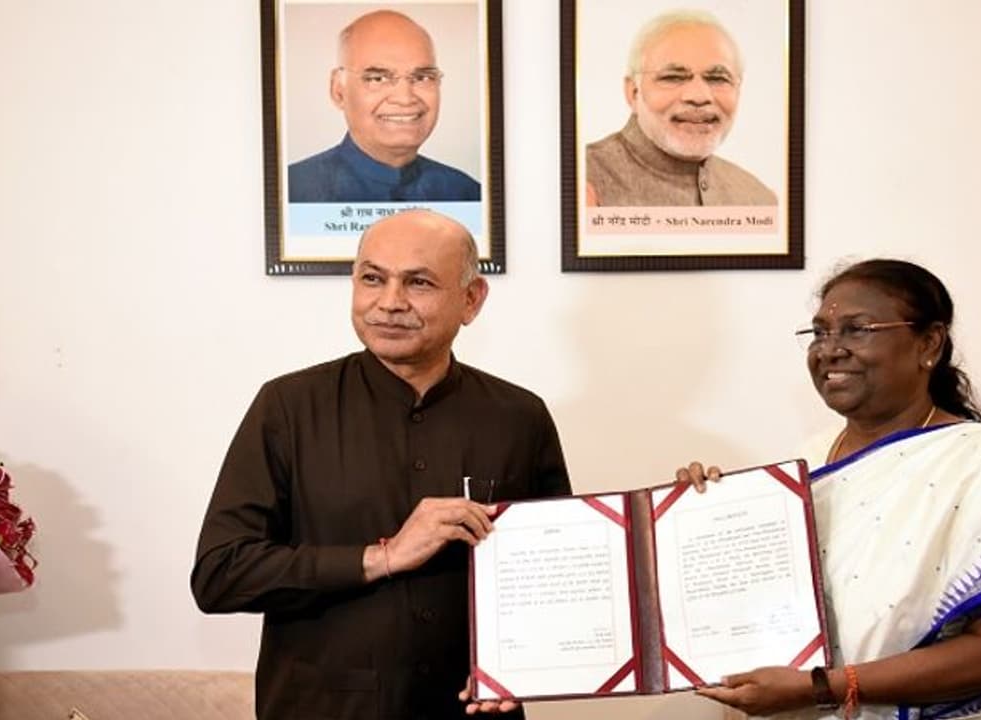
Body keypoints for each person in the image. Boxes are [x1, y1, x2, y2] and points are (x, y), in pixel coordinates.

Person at [678, 259, 981, 719]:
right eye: (820, 332)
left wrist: (824, 687)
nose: (830, 349)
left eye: (857, 330)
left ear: (929, 344)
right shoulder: (805, 463)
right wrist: (701, 515)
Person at [191, 209, 570, 720]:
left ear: (471, 300)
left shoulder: (519, 417)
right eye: (372, 279)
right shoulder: (287, 407)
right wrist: (381, 557)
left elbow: (555, 577)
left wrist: (523, 666)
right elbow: (221, 574)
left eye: (419, 282)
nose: (390, 302)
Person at [584, 10, 778, 207]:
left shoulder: (759, 199)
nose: (698, 96)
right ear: (633, 92)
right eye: (673, 77)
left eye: (717, 78)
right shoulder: (582, 180)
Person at [289, 10, 481, 203]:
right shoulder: (292, 191)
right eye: (378, 78)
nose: (405, 99)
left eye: (422, 77)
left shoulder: (467, 193)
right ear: (339, 91)